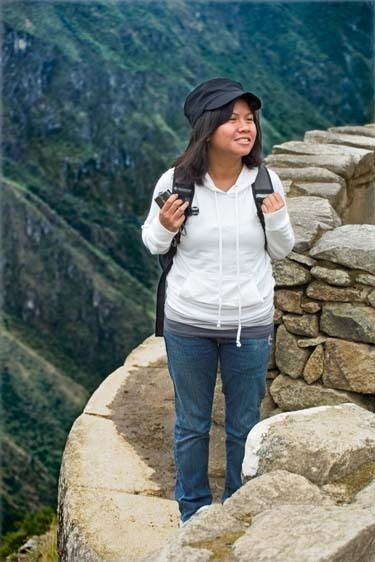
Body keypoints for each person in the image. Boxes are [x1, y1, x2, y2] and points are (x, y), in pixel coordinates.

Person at [141, 77, 295, 525]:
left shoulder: (265, 181)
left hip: (251, 323)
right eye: (233, 120)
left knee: (243, 424)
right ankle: (193, 512)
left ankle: (237, 505)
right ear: (208, 129)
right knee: (192, 424)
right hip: (189, 324)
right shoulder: (176, 182)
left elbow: (282, 249)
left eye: (250, 120)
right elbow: (152, 241)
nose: (245, 128)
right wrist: (167, 227)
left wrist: (279, 217)